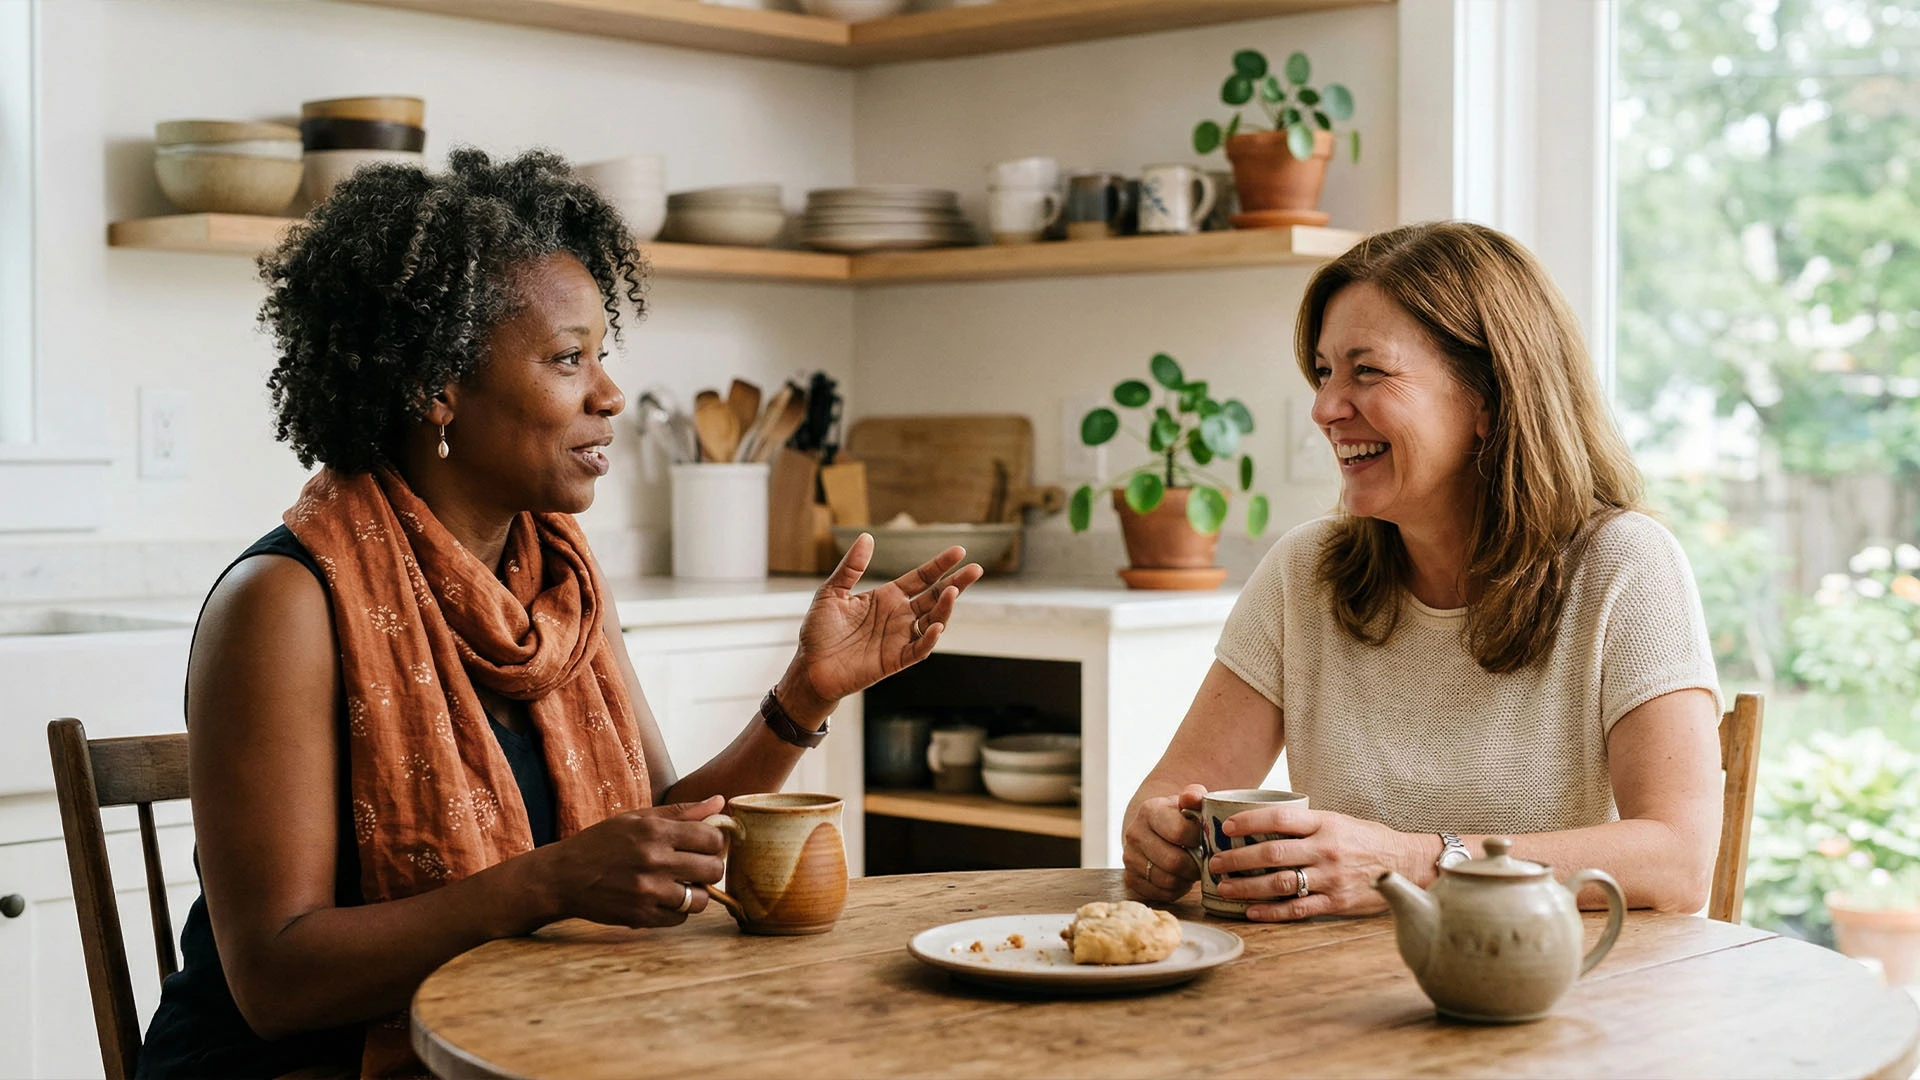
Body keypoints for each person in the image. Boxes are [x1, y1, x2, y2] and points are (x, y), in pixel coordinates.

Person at [138, 148, 983, 1079]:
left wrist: (804, 694)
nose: (608, 394)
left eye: (602, 356)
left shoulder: (562, 583)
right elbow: (275, 981)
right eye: (567, 359)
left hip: (519, 1035)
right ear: (436, 389)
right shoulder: (287, 602)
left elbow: (661, 827)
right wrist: (546, 883)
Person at [1121, 221, 1723, 922]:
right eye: (1323, 372)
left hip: (1547, 1003)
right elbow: (1169, 797)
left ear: (1489, 400)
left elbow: (1677, 863)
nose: (1324, 408)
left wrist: (1418, 863)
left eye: (1366, 371)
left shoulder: (1623, 565)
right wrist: (1156, 838)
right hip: (1335, 1002)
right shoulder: (1305, 571)